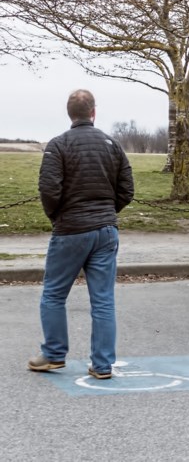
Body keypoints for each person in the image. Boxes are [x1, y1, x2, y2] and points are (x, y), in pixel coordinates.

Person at [29, 89, 134, 380]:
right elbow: (127, 189)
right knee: (103, 300)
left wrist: (58, 217)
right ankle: (102, 364)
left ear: (69, 114)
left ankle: (53, 354)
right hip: (105, 229)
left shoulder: (58, 145)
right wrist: (106, 212)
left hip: (70, 230)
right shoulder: (112, 144)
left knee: (53, 294)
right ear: (93, 112)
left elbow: (49, 190)